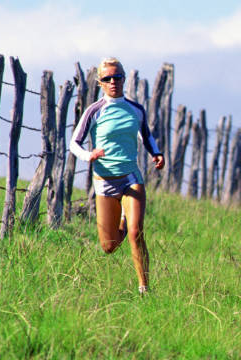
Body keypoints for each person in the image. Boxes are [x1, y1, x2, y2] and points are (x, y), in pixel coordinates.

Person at [70, 57, 165, 295]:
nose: (113, 82)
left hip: (131, 177)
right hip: (104, 182)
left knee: (136, 233)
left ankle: (144, 288)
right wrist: (88, 155)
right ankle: (122, 219)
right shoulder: (94, 111)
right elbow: (74, 143)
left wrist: (157, 153)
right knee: (109, 246)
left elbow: (146, 135)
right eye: (107, 79)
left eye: (117, 77)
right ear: (100, 83)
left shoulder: (135, 109)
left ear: (124, 79)